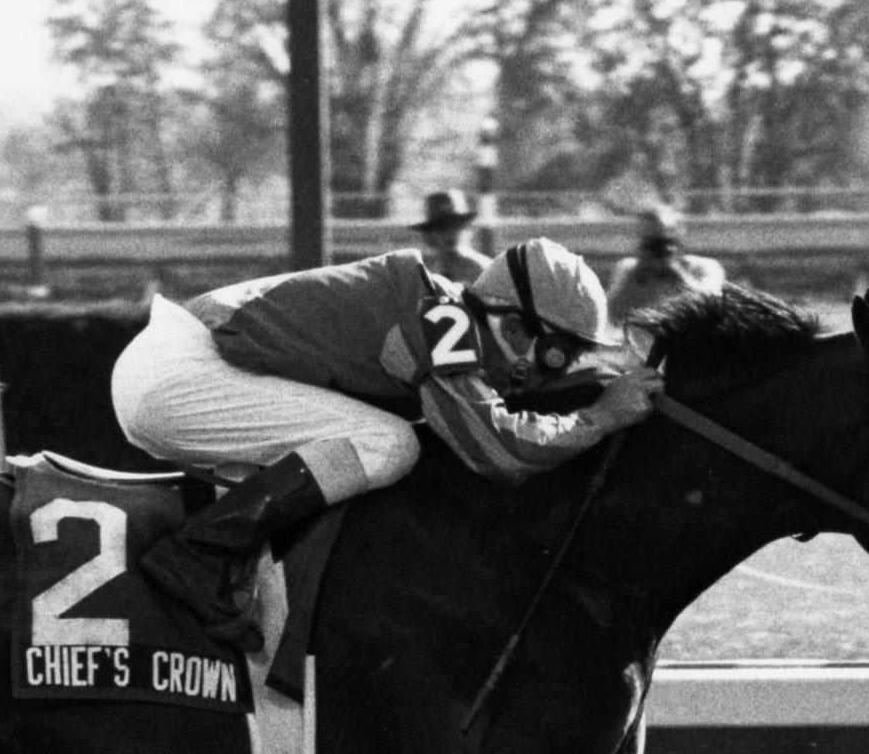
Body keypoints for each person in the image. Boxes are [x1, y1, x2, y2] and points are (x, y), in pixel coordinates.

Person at [112, 236, 662, 651]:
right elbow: (498, 451)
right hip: (177, 377)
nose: (548, 372)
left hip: (179, 367)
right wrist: (599, 419)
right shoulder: (443, 318)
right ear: (515, 327)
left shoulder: (446, 314)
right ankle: (199, 553)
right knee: (389, 444)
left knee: (363, 455)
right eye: (555, 353)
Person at [605, 202, 726, 330]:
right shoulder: (628, 269)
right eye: (651, 243)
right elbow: (613, 318)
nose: (661, 250)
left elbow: (713, 309)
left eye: (665, 242)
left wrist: (678, 274)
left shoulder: (704, 268)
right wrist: (637, 273)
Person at [411, 188, 494, 285]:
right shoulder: (423, 272)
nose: (450, 234)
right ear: (429, 234)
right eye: (442, 228)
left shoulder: (483, 271)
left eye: (455, 226)